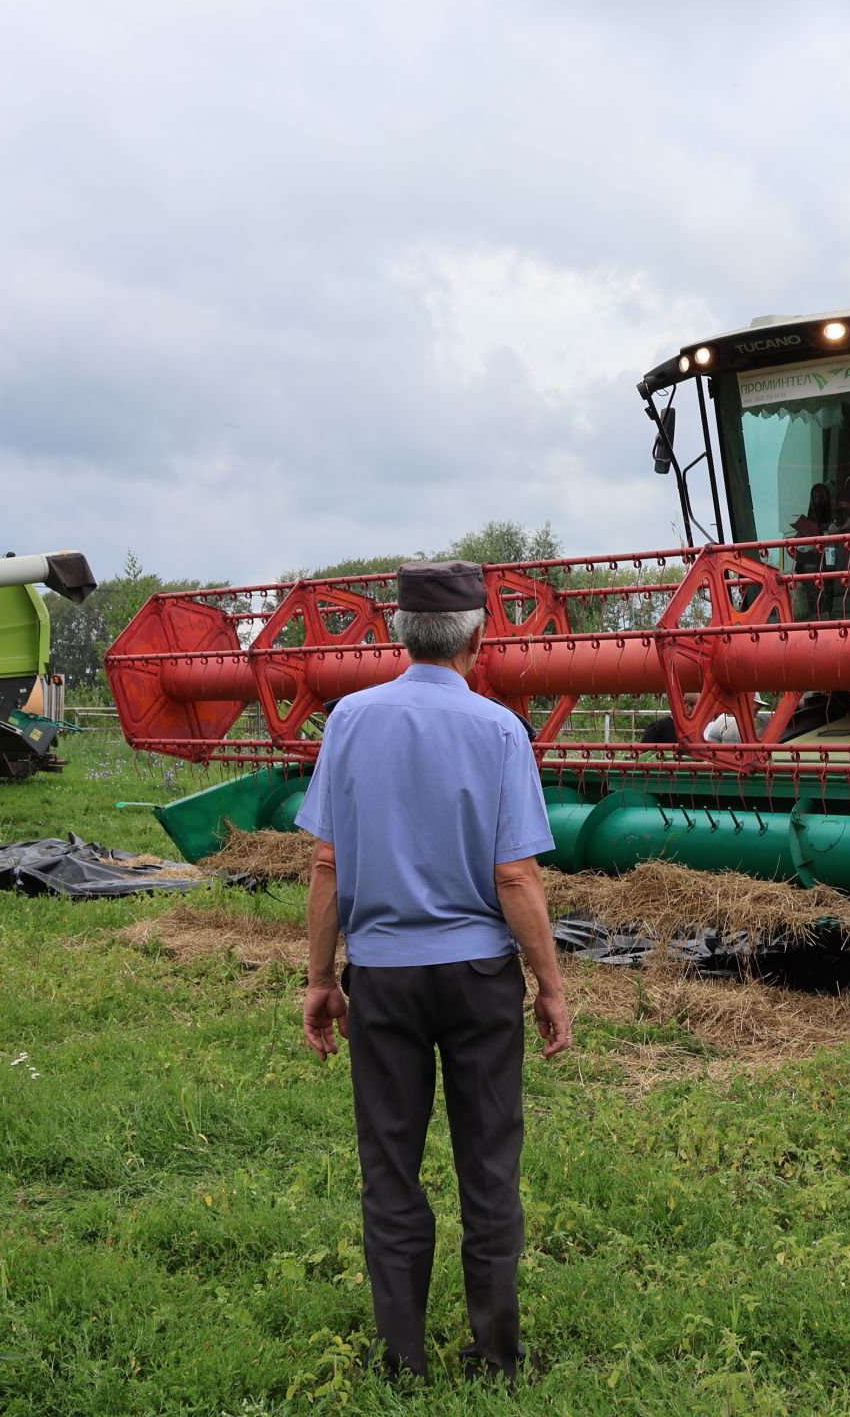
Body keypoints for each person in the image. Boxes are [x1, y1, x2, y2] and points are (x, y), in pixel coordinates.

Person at [296, 558, 573, 1385]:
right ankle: (496, 1357)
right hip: (478, 979)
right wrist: (551, 984)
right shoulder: (497, 731)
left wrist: (321, 979)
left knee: (391, 1168)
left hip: (381, 978)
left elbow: (325, 864)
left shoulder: (347, 720)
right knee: (488, 1166)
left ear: (397, 631)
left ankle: (403, 1360)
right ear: (477, 636)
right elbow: (516, 876)